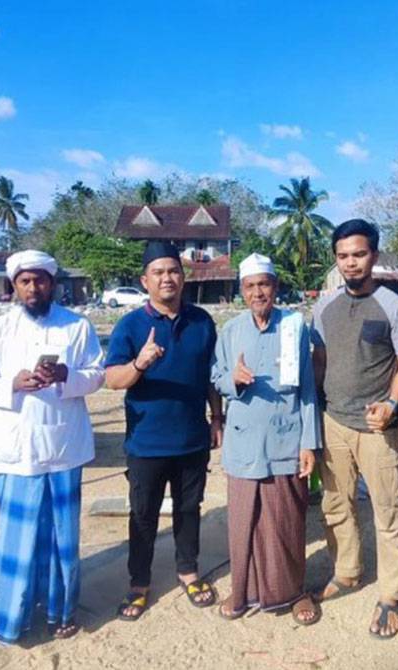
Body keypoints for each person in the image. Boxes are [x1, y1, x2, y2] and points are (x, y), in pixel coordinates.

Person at [0, 250, 104, 644]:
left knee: (63, 534)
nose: (33, 287)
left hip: (64, 445)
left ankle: (62, 609)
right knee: (18, 535)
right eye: (25, 281)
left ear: (52, 284)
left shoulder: (77, 326)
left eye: (40, 280)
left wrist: (66, 376)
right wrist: (13, 383)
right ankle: (11, 615)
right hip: (16, 448)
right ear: (14, 286)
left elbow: (96, 375)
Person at [311, 219, 398, 639]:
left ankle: (392, 595)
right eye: (343, 256)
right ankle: (347, 571)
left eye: (359, 254)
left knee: (388, 511)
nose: (351, 263)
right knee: (336, 506)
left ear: (373, 256)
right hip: (333, 422)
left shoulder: (393, 306)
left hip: (377, 428)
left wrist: (394, 404)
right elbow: (319, 361)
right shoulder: (325, 307)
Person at [104, 241, 224, 620]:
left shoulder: (203, 322)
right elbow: (112, 380)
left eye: (173, 270)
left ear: (183, 276)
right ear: (145, 280)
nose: (167, 278)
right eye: (158, 272)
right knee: (143, 514)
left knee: (189, 510)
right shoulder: (130, 325)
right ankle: (139, 583)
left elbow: (211, 378)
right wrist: (139, 363)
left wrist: (216, 418)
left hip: (192, 438)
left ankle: (188, 570)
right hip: (146, 441)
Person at [211, 253, 321, 625]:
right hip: (243, 444)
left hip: (284, 441)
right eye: (250, 286)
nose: (258, 292)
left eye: (264, 284)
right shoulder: (231, 331)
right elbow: (216, 378)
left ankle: (295, 592)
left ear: (275, 287)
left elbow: (307, 389)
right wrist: (233, 381)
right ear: (242, 291)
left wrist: (310, 443)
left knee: (286, 523)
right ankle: (242, 590)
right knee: (243, 522)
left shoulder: (294, 325)